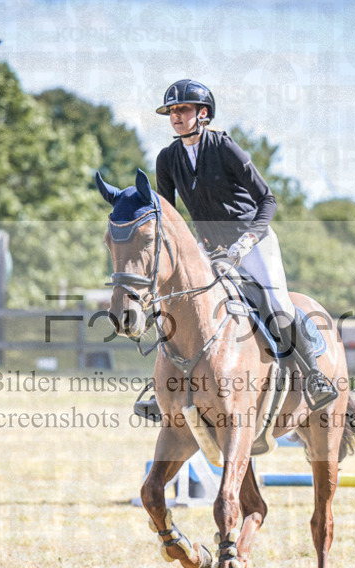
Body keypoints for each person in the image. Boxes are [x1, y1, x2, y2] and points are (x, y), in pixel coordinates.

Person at [138, 78, 337, 415]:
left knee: (277, 304)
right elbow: (169, 215)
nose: (175, 116)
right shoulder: (167, 159)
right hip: (210, 249)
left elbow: (267, 200)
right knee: (176, 305)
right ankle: (161, 387)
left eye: (182, 109)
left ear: (203, 113)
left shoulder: (224, 148)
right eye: (171, 111)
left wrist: (247, 239)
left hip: (253, 241)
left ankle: (314, 377)